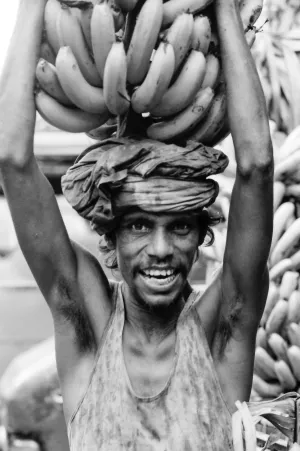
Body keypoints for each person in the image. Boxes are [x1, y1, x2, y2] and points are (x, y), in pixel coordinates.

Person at [0, 0, 273, 449]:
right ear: (111, 238)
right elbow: (12, 160)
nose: (161, 249)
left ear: (203, 237)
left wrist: (222, 6)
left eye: (180, 227)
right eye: (139, 227)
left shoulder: (221, 329)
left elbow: (257, 167)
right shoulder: (85, 324)